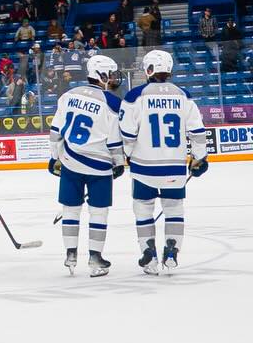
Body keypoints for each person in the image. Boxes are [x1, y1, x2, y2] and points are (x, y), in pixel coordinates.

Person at [119, 49, 209, 274]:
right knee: (174, 210)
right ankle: (172, 250)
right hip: (174, 167)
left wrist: (125, 155)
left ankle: (148, 254)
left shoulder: (135, 96)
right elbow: (197, 132)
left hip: (143, 168)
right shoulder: (183, 95)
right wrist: (199, 158)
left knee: (143, 210)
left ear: (148, 69)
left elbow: (127, 135)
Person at [49, 55, 125, 277]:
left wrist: (54, 158)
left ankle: (70, 254)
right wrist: (119, 162)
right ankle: (95, 258)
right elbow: (114, 140)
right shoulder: (112, 103)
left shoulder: (68, 96)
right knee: (98, 213)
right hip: (99, 166)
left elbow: (56, 133)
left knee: (70, 210)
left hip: (71, 162)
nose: (113, 78)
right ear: (101, 75)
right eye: (110, 74)